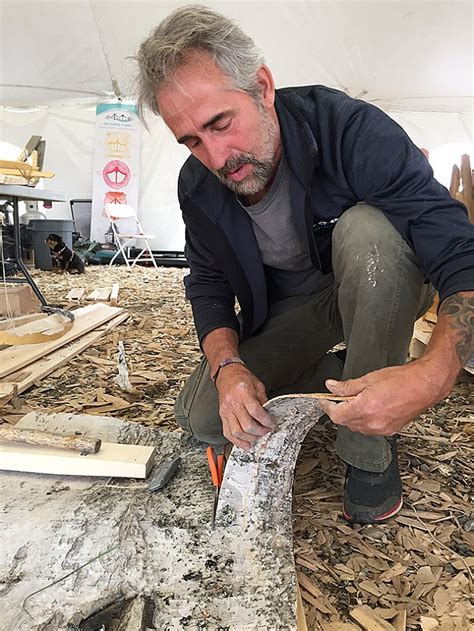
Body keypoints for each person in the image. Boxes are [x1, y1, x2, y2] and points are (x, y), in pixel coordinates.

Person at [136, 5, 474, 524]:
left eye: (221, 124)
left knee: (370, 231)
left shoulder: (349, 129)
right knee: (204, 418)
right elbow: (206, 283)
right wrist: (228, 368)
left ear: (263, 87)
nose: (217, 155)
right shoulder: (198, 184)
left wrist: (434, 373)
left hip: (378, 282)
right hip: (293, 306)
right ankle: (347, 375)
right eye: (192, 141)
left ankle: (368, 453)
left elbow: (459, 251)